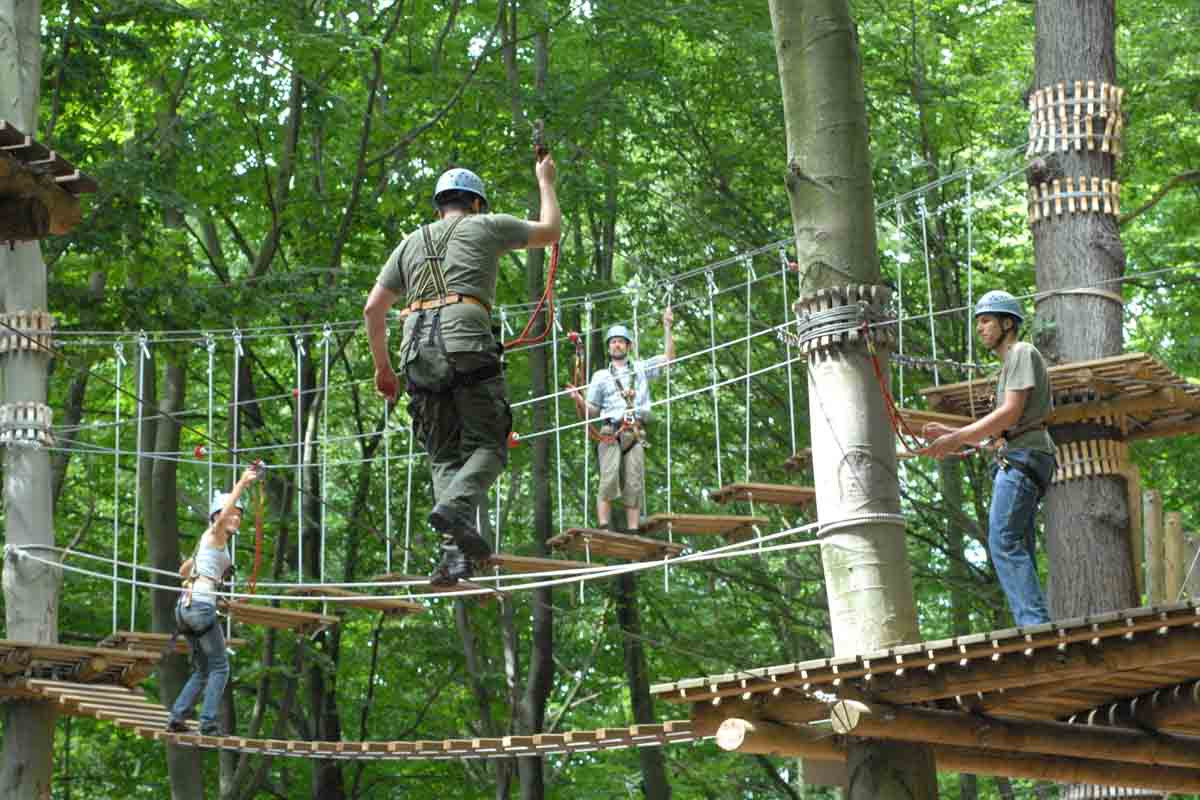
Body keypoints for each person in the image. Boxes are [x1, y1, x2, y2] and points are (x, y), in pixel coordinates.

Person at [363, 158, 561, 586]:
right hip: (466, 341)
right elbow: (550, 231)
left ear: (439, 207)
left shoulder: (409, 245)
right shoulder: (486, 226)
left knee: (443, 455)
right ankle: (453, 512)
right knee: (489, 445)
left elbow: (373, 309)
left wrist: (384, 371)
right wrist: (545, 181)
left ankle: (454, 557)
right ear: (475, 203)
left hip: (417, 352)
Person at [922, 290, 1057, 626]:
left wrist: (957, 438)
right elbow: (1004, 428)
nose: (979, 328)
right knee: (1017, 542)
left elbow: (1010, 413)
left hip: (1025, 455)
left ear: (1007, 323)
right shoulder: (1009, 365)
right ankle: (1035, 624)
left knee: (1003, 541)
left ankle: (1034, 625)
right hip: (1025, 452)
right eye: (978, 322)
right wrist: (953, 433)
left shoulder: (1021, 352)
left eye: (986, 321)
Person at [166, 463, 263, 735]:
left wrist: (216, 588)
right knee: (220, 667)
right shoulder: (215, 532)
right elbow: (220, 523)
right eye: (232, 513)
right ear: (217, 516)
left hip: (187, 608)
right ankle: (207, 723)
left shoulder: (207, 542)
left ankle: (177, 717)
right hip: (199, 606)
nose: (236, 518)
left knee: (202, 669)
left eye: (240, 515)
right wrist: (242, 483)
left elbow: (183, 571)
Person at [568, 308, 675, 532]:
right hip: (610, 432)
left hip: (635, 432)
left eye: (621, 342)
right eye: (613, 342)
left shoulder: (641, 369)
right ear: (609, 348)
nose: (617, 345)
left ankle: (633, 531)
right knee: (608, 479)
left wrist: (667, 327)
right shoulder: (600, 377)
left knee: (634, 482)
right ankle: (604, 527)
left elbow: (668, 360)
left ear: (628, 346)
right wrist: (579, 400)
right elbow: (592, 412)